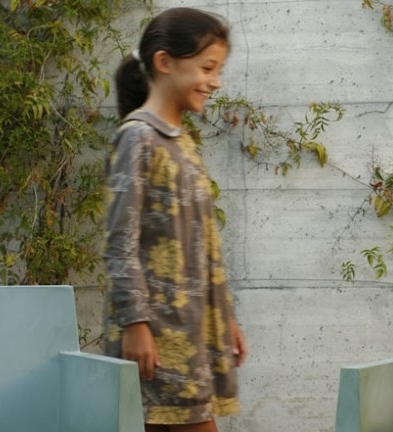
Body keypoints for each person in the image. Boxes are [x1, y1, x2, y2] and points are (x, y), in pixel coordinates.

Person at [103, 7, 247, 432]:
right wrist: (135, 323)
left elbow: (202, 244)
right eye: (207, 67)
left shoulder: (180, 140)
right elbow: (120, 240)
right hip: (159, 338)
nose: (215, 81)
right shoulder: (137, 137)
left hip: (193, 333)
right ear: (165, 63)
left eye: (218, 69)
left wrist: (226, 317)